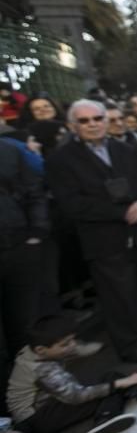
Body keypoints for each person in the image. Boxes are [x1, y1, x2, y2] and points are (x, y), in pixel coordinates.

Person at [46, 100, 137, 362]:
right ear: (72, 126)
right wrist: (120, 213)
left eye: (98, 118)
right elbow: (71, 204)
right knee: (119, 294)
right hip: (104, 239)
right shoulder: (60, 160)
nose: (93, 124)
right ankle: (132, 344)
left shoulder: (125, 149)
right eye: (85, 121)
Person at [7, 315, 137, 433]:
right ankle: (105, 419)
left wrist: (115, 382)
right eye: (66, 344)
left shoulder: (35, 349)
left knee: (110, 377)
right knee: (107, 388)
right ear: (41, 350)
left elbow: (70, 366)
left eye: (73, 339)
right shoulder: (42, 369)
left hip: (49, 404)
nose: (72, 346)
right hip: (37, 420)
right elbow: (76, 396)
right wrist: (118, 384)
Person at [0, 140, 48, 415]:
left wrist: (37, 232)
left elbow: (34, 188)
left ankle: (33, 401)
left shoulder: (7, 149)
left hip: (19, 249)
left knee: (24, 329)